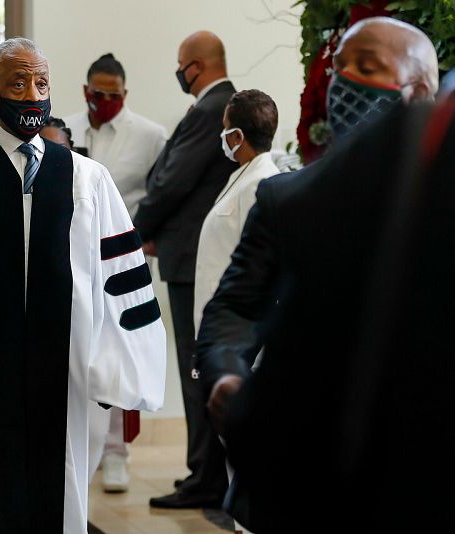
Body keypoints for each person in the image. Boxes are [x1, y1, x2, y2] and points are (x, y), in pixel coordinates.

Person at [0, 37, 167, 534]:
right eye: (18, 83)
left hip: (68, 368)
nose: (34, 94)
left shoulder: (88, 179)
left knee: (64, 494)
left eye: (42, 83)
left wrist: (115, 365)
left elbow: (120, 279)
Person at [195, 17, 439, 531]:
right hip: (299, 469)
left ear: (420, 92)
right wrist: (228, 373)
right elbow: (236, 305)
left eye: (367, 66)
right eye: (339, 66)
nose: (344, 80)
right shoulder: (289, 197)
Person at [133, 31, 237, 509]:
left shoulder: (212, 108)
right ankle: (206, 473)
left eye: (181, 64)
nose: (178, 73)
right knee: (199, 368)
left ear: (197, 65)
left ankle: (205, 477)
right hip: (193, 256)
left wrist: (137, 232)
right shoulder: (218, 107)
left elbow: (174, 179)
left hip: (194, 260)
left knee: (196, 369)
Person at [64, 52, 167, 493]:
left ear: (126, 93)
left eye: (114, 94)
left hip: (123, 261)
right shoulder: (64, 128)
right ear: (86, 91)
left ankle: (116, 453)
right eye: (98, 93)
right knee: (80, 352)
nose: (105, 100)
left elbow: (163, 193)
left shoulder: (150, 135)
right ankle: (79, 444)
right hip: (71, 256)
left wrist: (150, 238)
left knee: (120, 349)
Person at [194, 89, 279, 534]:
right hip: (223, 336)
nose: (221, 135)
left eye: (225, 128)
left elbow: (258, 270)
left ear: (238, 135)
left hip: (244, 343)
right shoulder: (244, 175)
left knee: (248, 450)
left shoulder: (263, 184)